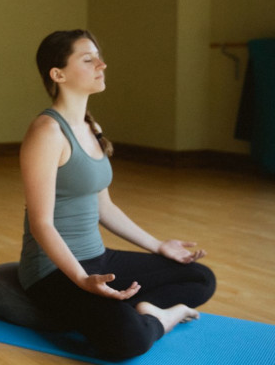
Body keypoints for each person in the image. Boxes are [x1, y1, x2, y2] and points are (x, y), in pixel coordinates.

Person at [15, 29, 215, 360]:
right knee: (128, 342)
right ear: (58, 74)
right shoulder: (47, 132)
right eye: (88, 59)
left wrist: (158, 246)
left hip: (99, 258)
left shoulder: (91, 128)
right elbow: (41, 224)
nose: (102, 65)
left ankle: (140, 309)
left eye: (99, 57)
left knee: (200, 278)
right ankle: (162, 317)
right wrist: (81, 279)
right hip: (53, 272)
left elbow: (104, 207)